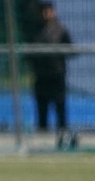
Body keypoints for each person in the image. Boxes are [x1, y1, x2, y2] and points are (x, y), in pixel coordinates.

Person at [28, 1, 75, 148]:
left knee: (60, 107)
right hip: (41, 76)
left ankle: (63, 138)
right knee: (42, 108)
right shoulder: (35, 30)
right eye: (44, 11)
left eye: (49, 11)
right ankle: (42, 139)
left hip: (57, 76)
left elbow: (71, 50)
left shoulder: (60, 30)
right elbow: (29, 53)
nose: (46, 14)